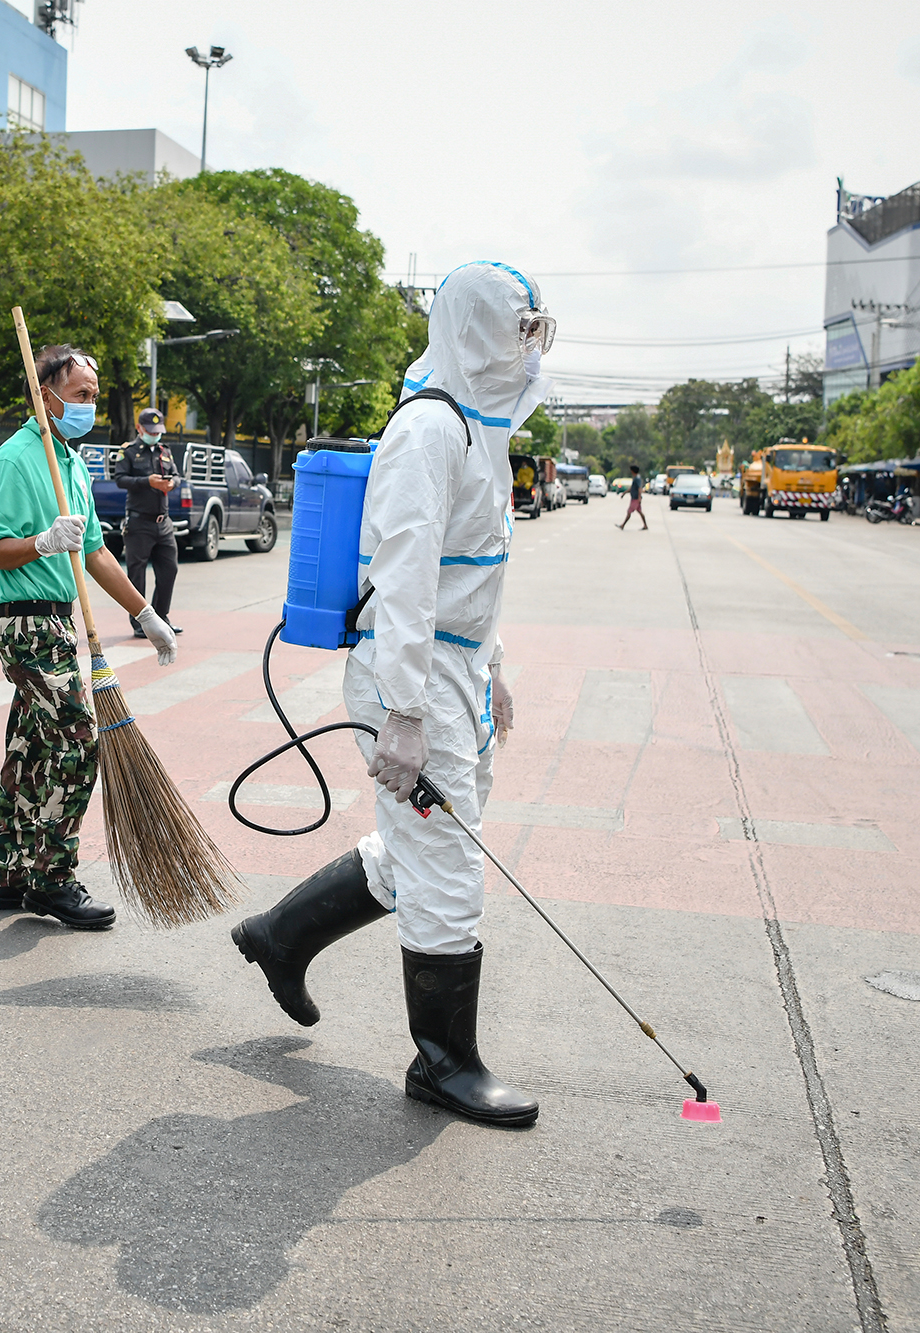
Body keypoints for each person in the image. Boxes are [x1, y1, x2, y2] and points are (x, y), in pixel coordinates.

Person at [229, 261, 553, 1129]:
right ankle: (444, 1060)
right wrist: (405, 712)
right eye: (520, 327)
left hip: (454, 673)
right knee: (447, 859)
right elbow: (405, 580)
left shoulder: (482, 428)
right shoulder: (429, 430)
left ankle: (281, 935)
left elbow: (470, 576)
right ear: (478, 328)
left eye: (536, 328)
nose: (532, 346)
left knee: (422, 841)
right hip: (409, 677)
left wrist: (495, 670)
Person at [0, 344, 180, 930]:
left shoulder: (70, 463)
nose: (89, 407)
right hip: (26, 620)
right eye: (81, 396)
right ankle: (52, 878)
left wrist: (145, 614)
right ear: (47, 396)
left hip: (60, 619)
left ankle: (10, 872)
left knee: (31, 745)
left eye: (94, 397)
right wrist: (41, 542)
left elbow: (94, 553)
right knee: (74, 745)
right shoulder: (16, 461)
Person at [116, 406, 182, 638]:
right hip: (139, 523)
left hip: (163, 523)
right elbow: (120, 479)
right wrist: (147, 481)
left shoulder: (165, 451)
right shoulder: (129, 451)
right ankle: (140, 623)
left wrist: (172, 483)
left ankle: (161, 617)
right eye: (150, 431)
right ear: (139, 428)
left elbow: (176, 475)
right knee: (137, 574)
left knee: (169, 569)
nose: (154, 435)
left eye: (157, 431)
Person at [618, 465, 646, 530]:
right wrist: (624, 493)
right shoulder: (636, 478)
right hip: (634, 497)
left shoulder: (637, 479)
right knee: (640, 512)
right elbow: (632, 488)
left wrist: (639, 497)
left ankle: (623, 525)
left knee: (629, 512)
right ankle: (645, 525)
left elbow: (639, 488)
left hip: (635, 498)